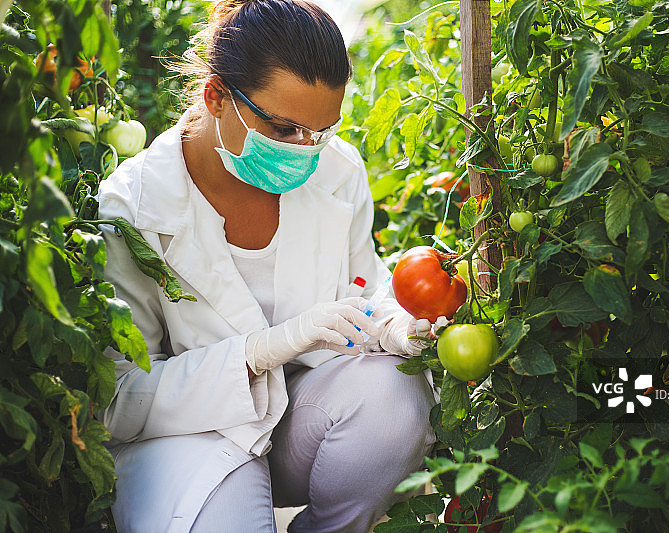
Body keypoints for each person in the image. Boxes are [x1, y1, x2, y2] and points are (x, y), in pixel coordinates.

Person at [95, 1, 440, 531]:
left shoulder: (337, 170)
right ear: (216, 97)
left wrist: (392, 324)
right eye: (283, 128)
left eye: (321, 130)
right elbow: (117, 402)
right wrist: (258, 353)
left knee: (395, 394)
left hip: (302, 419)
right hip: (190, 434)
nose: (306, 151)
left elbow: (363, 287)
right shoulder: (135, 208)